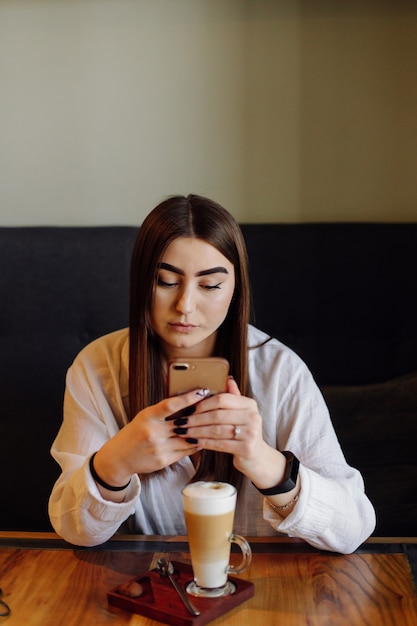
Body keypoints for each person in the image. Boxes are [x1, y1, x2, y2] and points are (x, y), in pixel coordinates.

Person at [49, 194, 376, 552]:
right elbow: (74, 529)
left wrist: (263, 460)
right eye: (165, 281)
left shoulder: (281, 371)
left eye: (210, 285)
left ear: (235, 290)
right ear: (142, 282)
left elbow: (353, 527)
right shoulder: (97, 368)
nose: (185, 305)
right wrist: (116, 461)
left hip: (268, 585)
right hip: (159, 584)